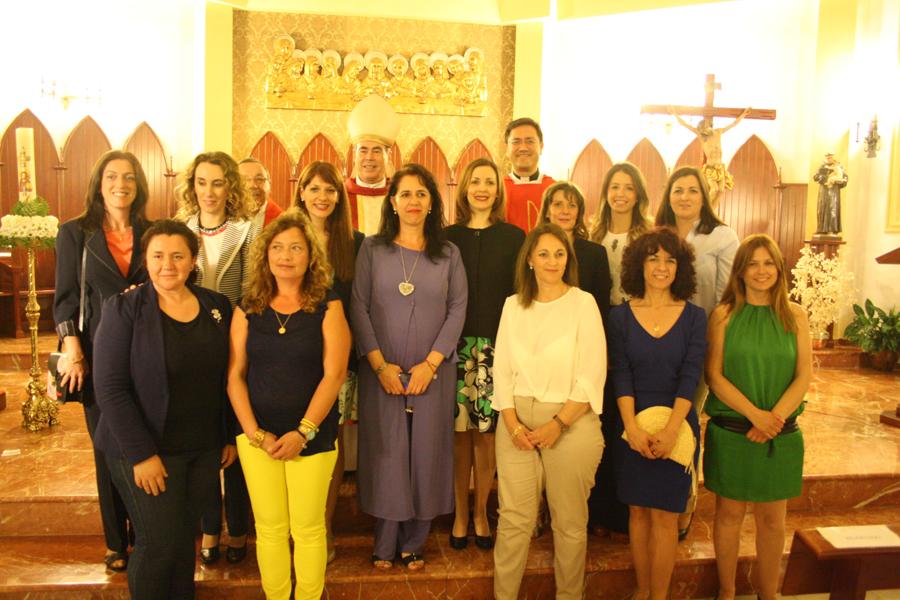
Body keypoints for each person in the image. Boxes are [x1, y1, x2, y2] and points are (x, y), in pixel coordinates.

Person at [92, 219, 234, 599]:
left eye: (177, 256)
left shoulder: (216, 306)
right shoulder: (124, 308)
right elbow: (110, 389)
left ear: (192, 260)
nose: (166, 265)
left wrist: (225, 436)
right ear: (146, 259)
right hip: (144, 449)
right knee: (157, 544)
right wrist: (142, 455)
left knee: (182, 541)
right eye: (157, 256)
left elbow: (225, 380)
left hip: (201, 449)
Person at [228, 210, 350, 600]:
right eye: (277, 248)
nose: (286, 255)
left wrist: (303, 432)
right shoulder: (247, 307)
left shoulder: (329, 306)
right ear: (265, 256)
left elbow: (334, 375)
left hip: (312, 436)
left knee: (309, 527)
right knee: (269, 527)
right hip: (256, 436)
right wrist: (254, 433)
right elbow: (234, 376)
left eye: (296, 247)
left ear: (310, 256)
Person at [350, 163, 467, 570]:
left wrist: (431, 365)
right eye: (405, 194)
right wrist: (380, 365)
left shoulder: (449, 253)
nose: (413, 201)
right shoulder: (372, 248)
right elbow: (359, 307)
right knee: (388, 453)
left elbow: (457, 310)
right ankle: (383, 542)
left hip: (433, 372)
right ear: (393, 202)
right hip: (381, 371)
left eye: (421, 193)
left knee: (427, 454)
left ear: (432, 202)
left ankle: (414, 540)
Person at [491, 222, 606, 600]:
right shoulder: (513, 305)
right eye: (543, 253)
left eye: (559, 253)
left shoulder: (582, 303)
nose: (552, 261)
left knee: (569, 524)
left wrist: (559, 424)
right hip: (517, 422)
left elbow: (592, 374)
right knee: (513, 521)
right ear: (529, 261)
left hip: (570, 421)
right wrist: (512, 424)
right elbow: (502, 370)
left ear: (568, 259)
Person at [53, 150, 151, 572]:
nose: (121, 185)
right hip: (97, 356)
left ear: (139, 184)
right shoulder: (75, 233)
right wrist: (72, 348)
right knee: (108, 447)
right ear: (98, 182)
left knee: (145, 441)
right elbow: (66, 298)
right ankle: (116, 541)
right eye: (112, 176)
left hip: (148, 354)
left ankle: (146, 533)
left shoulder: (152, 232)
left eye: (129, 177)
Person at [704, 234, 812, 600]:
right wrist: (755, 416)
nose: (761, 271)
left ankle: (770, 593)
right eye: (753, 263)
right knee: (729, 516)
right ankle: (727, 591)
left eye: (769, 263)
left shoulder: (796, 315)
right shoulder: (724, 315)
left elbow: (804, 376)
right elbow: (714, 376)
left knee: (772, 521)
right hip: (735, 432)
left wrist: (774, 419)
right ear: (741, 270)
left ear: (780, 270)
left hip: (778, 436)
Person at [608, 227, 706, 600]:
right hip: (631, 423)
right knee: (637, 514)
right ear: (639, 265)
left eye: (670, 260)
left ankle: (660, 595)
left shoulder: (695, 317)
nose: (661, 267)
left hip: (678, 425)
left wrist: (670, 430)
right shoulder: (620, 317)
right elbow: (622, 375)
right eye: (653, 258)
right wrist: (631, 427)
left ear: (680, 268)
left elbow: (691, 376)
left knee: (666, 517)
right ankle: (642, 588)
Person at [175, 151, 256, 563]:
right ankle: (210, 528)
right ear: (193, 186)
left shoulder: (246, 230)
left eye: (218, 183)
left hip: (234, 343)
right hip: (191, 348)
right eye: (202, 183)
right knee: (205, 442)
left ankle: (238, 528)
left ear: (230, 187)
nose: (209, 192)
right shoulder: (179, 231)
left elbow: (252, 290)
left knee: (236, 438)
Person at [445, 158, 525, 552]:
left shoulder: (514, 237)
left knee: (488, 438)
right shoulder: (447, 237)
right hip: (454, 350)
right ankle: (460, 512)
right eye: (474, 181)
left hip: (497, 350)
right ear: (464, 189)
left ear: (498, 189)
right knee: (459, 438)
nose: (481, 188)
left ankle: (481, 512)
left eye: (488, 182)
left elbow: (522, 296)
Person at [655, 165, 738, 539]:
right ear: (668, 195)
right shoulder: (658, 235)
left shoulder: (721, 237)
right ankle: (657, 497)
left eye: (692, 190)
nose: (684, 197)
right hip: (657, 342)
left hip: (698, 344)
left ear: (704, 196)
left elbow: (726, 300)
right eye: (678, 190)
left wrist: (712, 349)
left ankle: (686, 500)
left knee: (685, 420)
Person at [294, 160, 365, 563]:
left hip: (339, 359)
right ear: (301, 191)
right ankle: (295, 524)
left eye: (330, 190)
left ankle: (324, 525)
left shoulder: (355, 242)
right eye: (314, 188)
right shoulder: (285, 234)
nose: (322, 197)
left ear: (340, 196)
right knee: (294, 434)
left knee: (327, 441)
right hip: (292, 356)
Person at [587, 161, 654, 539]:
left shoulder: (647, 236)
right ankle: (600, 506)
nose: (621, 193)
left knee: (629, 413)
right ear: (606, 192)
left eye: (629, 187)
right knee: (604, 414)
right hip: (600, 324)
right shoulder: (594, 234)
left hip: (636, 323)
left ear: (638, 194)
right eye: (615, 186)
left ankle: (627, 509)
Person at [538, 181, 611, 322]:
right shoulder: (532, 250)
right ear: (547, 211)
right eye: (558, 204)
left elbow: (601, 308)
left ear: (579, 212)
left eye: (572, 205)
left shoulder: (596, 254)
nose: (565, 211)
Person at [669, 106, 750, 209]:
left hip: (720, 167)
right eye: (702, 128)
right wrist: (675, 113)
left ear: (710, 126)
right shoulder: (702, 137)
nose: (705, 130)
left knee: (720, 191)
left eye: (706, 127)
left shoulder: (718, 132)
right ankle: (705, 209)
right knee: (714, 189)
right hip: (710, 168)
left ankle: (712, 212)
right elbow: (685, 125)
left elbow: (733, 124)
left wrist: (743, 115)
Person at [345, 95, 400, 235]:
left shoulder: (399, 196)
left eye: (376, 151)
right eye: (363, 150)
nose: (369, 157)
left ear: (388, 155)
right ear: (354, 155)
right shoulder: (340, 195)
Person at [503, 117, 555, 232]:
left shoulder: (554, 189)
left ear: (541, 147)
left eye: (530, 141)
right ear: (507, 149)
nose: (523, 148)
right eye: (516, 142)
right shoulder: (497, 189)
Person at [239, 157, 284, 229]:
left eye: (259, 179)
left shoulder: (282, 221)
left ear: (269, 184)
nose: (253, 185)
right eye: (244, 180)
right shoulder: (224, 217)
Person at [813, 152, 848, 235]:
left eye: (830, 157)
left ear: (833, 158)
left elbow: (845, 177)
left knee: (833, 208)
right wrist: (826, 178)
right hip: (824, 190)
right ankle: (821, 228)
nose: (829, 159)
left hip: (834, 190)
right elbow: (816, 177)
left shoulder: (839, 167)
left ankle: (833, 229)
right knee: (822, 207)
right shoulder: (821, 167)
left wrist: (837, 180)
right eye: (827, 157)